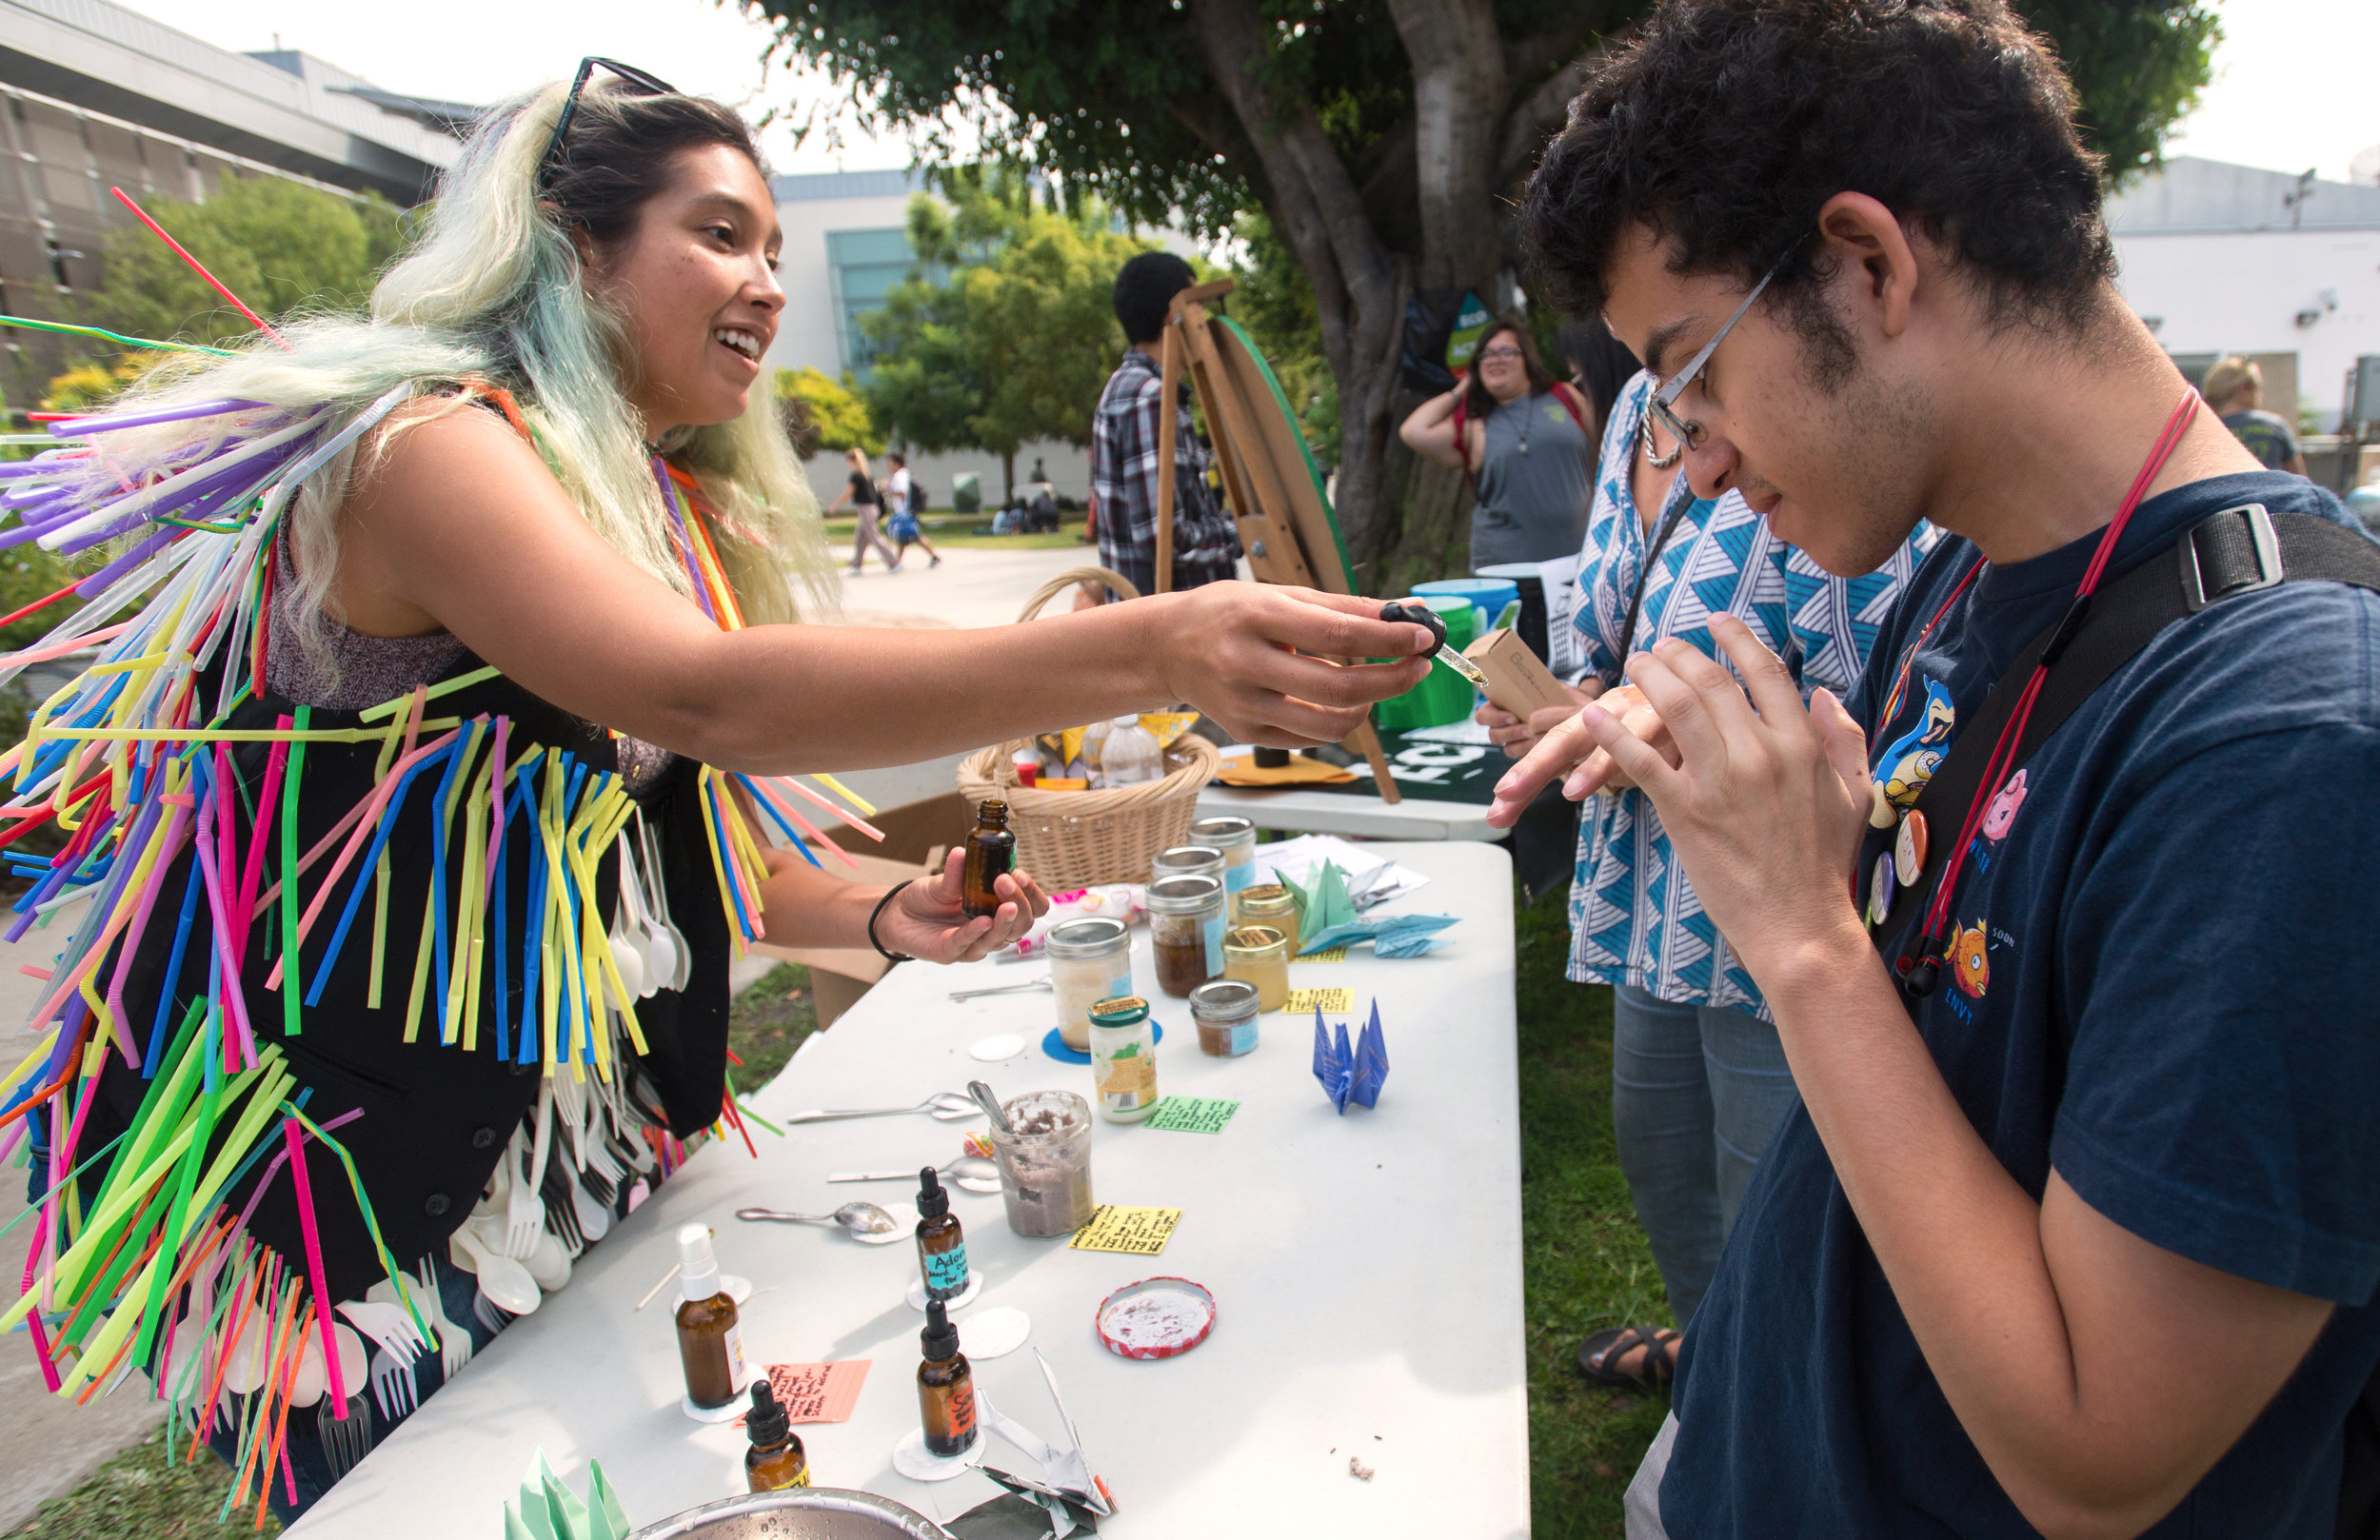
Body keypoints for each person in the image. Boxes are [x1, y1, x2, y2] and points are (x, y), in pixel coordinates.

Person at [0, 64, 1438, 1519]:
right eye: (722, 235)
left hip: (589, 1186)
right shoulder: (422, 448)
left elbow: (664, 858)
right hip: (372, 1223)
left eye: (775, 252)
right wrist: (1150, 643)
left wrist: (887, 909)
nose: (763, 283)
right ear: (568, 249)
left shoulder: (645, 505)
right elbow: (709, 698)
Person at [1497, 3, 2380, 1536]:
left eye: (1691, 372)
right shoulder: (1976, 578)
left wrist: (1802, 936)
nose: (1693, 455)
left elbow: (2097, 1454)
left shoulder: (2287, 742)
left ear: (1868, 262)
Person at [1479, 352, 1933, 1392]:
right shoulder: (1636, 408)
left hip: (1773, 899)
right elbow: (1612, 633)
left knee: (1771, 1188)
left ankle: (1774, 1406)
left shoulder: (1807, 391)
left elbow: (1878, 695)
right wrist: (1557, 702)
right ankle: (1714, 1363)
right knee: (1660, 1151)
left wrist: (1684, 723)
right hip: (1650, 883)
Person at [1087, 250, 1242, 598]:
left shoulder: (1135, 389)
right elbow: (1165, 541)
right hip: (1169, 638)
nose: (1202, 319)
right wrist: (1245, 532)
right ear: (1175, 315)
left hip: (1166, 631)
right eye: (1197, 306)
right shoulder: (1149, 397)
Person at [1400, 319, 1596, 569]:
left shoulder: (1565, 396)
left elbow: (1609, 443)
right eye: (1486, 354)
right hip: (1505, 568)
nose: (1495, 359)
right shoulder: (1474, 422)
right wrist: (1461, 389)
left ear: (1527, 358)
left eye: (1506, 351)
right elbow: (1412, 431)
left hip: (1579, 559)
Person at [2202, 354, 2309, 475]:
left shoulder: (2204, 433)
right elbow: (2300, 481)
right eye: (2258, 387)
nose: (2261, 394)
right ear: (2243, 389)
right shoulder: (2275, 425)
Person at [830, 444, 900, 571]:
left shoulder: (856, 475)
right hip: (870, 509)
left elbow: (848, 493)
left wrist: (835, 505)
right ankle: (857, 564)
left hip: (865, 509)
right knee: (861, 537)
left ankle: (894, 562)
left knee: (874, 537)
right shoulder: (867, 475)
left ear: (851, 461)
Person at [883, 449, 941, 567]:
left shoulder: (899, 476)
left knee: (914, 535)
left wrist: (888, 490)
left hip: (905, 511)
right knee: (902, 537)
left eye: (890, 463)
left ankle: (934, 556)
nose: (888, 466)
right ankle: (897, 562)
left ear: (897, 463)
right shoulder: (904, 474)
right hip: (904, 511)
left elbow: (902, 492)